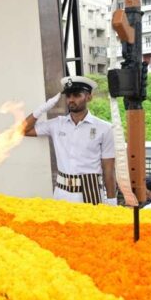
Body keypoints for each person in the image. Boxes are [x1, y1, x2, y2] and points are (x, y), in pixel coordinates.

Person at [23, 76, 117, 205]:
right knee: (61, 225)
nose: (71, 100)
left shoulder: (104, 128)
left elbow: (108, 168)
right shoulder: (57, 124)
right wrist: (42, 109)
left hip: (90, 190)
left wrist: (112, 200)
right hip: (62, 191)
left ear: (89, 97)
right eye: (68, 96)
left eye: (77, 95)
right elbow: (23, 130)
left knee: (88, 225)